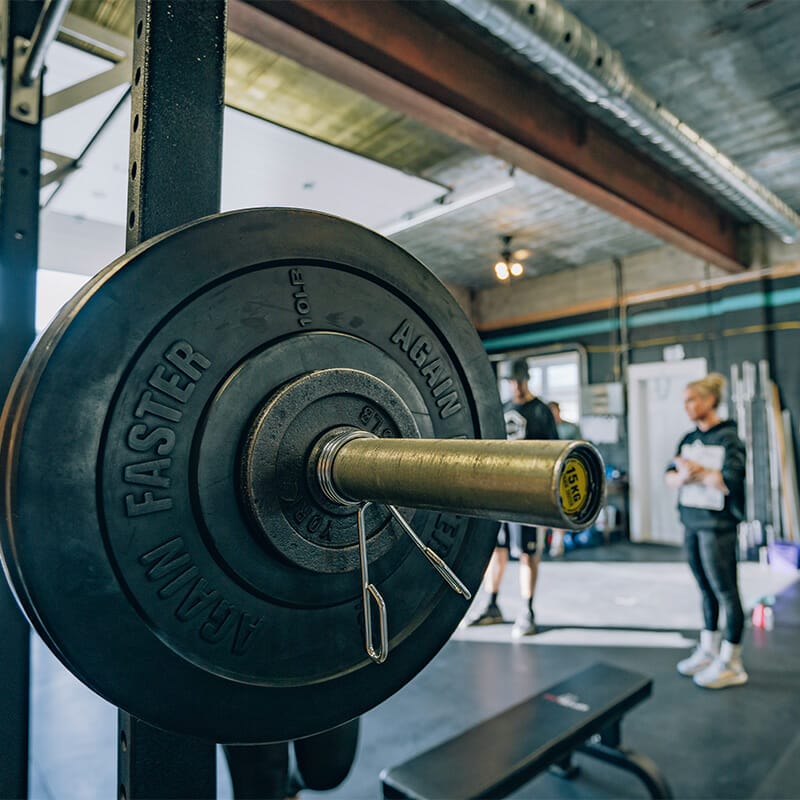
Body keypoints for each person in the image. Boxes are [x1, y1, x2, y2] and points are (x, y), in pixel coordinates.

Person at [665, 373, 747, 689]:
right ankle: (709, 649)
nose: (687, 406)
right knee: (704, 587)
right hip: (692, 522)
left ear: (710, 401)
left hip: (718, 526)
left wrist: (702, 472)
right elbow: (669, 478)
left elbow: (730, 482)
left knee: (726, 590)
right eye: (685, 400)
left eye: (692, 399)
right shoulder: (687, 439)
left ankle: (732, 660)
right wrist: (683, 477)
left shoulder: (729, 439)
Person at [468, 358, 559, 637]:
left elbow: (555, 455)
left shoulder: (541, 411)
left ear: (527, 379)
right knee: (497, 551)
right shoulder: (501, 410)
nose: (516, 386)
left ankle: (527, 610)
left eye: (520, 381)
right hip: (499, 496)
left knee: (528, 554)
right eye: (511, 381)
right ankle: (492, 605)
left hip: (528, 497)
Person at [547, 401, 582, 557]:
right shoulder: (544, 428)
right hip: (547, 474)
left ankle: (557, 544)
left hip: (565, 474)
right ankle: (540, 544)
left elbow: (580, 448)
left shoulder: (570, 429)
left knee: (559, 508)